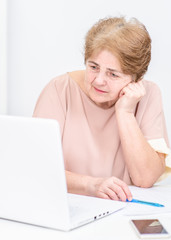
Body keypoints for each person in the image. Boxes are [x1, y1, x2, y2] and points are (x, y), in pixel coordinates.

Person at [33, 16, 171, 202]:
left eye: (113, 74)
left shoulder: (149, 94)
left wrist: (125, 112)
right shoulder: (59, 90)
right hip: (66, 205)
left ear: (136, 78)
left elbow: (145, 178)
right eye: (93, 67)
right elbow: (38, 168)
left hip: (123, 210)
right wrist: (91, 185)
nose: (98, 80)